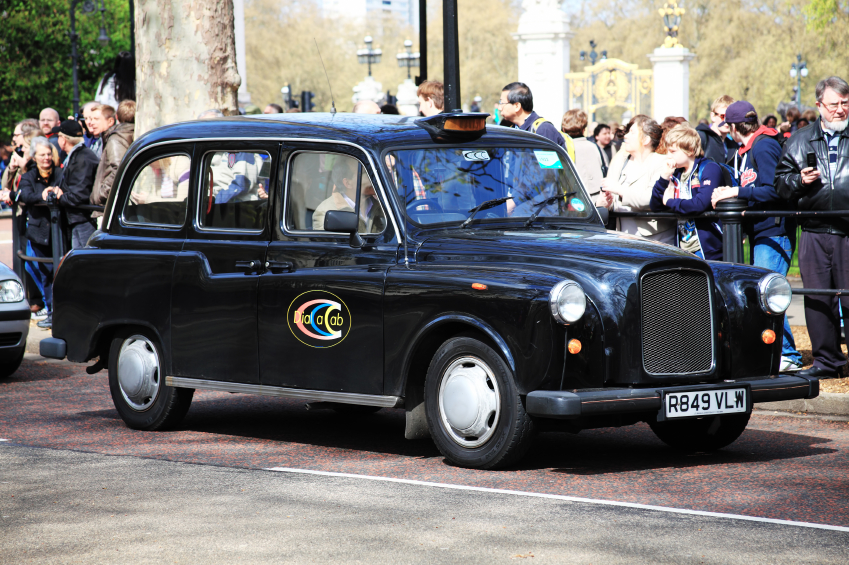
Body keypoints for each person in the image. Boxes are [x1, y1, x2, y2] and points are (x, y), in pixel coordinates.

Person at [711, 101, 803, 372]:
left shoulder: (763, 146)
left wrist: (737, 192)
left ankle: (788, 355)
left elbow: (776, 190)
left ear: (734, 127)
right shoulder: (748, 148)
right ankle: (775, 352)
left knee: (768, 294)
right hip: (761, 229)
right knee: (764, 294)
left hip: (774, 230)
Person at [776, 76, 849, 379]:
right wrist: (799, 180)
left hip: (847, 230)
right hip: (814, 231)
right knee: (818, 299)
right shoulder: (798, 140)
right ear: (819, 105)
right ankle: (827, 362)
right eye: (834, 104)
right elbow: (781, 184)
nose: (840, 109)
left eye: (845, 103)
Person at [650, 124, 723, 260]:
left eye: (673, 151)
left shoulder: (709, 168)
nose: (668, 155)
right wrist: (664, 177)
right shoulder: (676, 173)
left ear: (689, 150)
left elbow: (700, 204)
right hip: (683, 248)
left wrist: (670, 201)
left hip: (707, 249)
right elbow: (655, 205)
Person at [598, 115, 673, 244]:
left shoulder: (661, 162)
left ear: (646, 140)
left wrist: (619, 189)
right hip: (624, 238)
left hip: (655, 240)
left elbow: (652, 198)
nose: (626, 136)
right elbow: (614, 199)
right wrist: (605, 203)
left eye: (632, 132)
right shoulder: (622, 161)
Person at [17, 137, 62, 328]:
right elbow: (25, 195)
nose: (46, 158)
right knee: (44, 273)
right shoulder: (29, 176)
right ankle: (51, 312)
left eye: (49, 154)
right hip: (39, 233)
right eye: (42, 155)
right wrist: (41, 195)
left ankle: (60, 312)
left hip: (59, 230)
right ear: (34, 157)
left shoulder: (60, 173)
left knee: (59, 272)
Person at [44, 120, 100, 250]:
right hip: (77, 219)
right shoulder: (77, 156)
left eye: (59, 136)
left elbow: (79, 195)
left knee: (85, 259)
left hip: (84, 220)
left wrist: (60, 197)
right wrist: (55, 189)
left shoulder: (82, 158)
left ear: (64, 140)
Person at [498, 82, 574, 160]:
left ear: (517, 106)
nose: (499, 108)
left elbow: (548, 166)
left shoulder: (543, 130)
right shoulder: (511, 129)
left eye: (502, 103)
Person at [312, 159, 384, 233]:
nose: (374, 177)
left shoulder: (383, 206)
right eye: (365, 173)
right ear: (348, 183)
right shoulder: (326, 212)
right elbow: (329, 239)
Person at [91, 100, 136, 215]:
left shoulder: (117, 138)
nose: (91, 122)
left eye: (96, 119)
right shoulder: (133, 134)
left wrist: (102, 194)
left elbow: (119, 168)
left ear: (116, 117)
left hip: (110, 208)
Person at [561, 109, 604, 202]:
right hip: (596, 198)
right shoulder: (593, 147)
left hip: (573, 200)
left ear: (564, 129)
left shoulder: (563, 148)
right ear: (584, 129)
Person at [697, 95, 738, 164]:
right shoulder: (700, 138)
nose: (727, 121)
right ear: (713, 116)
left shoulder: (733, 145)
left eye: (731, 117)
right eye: (723, 116)